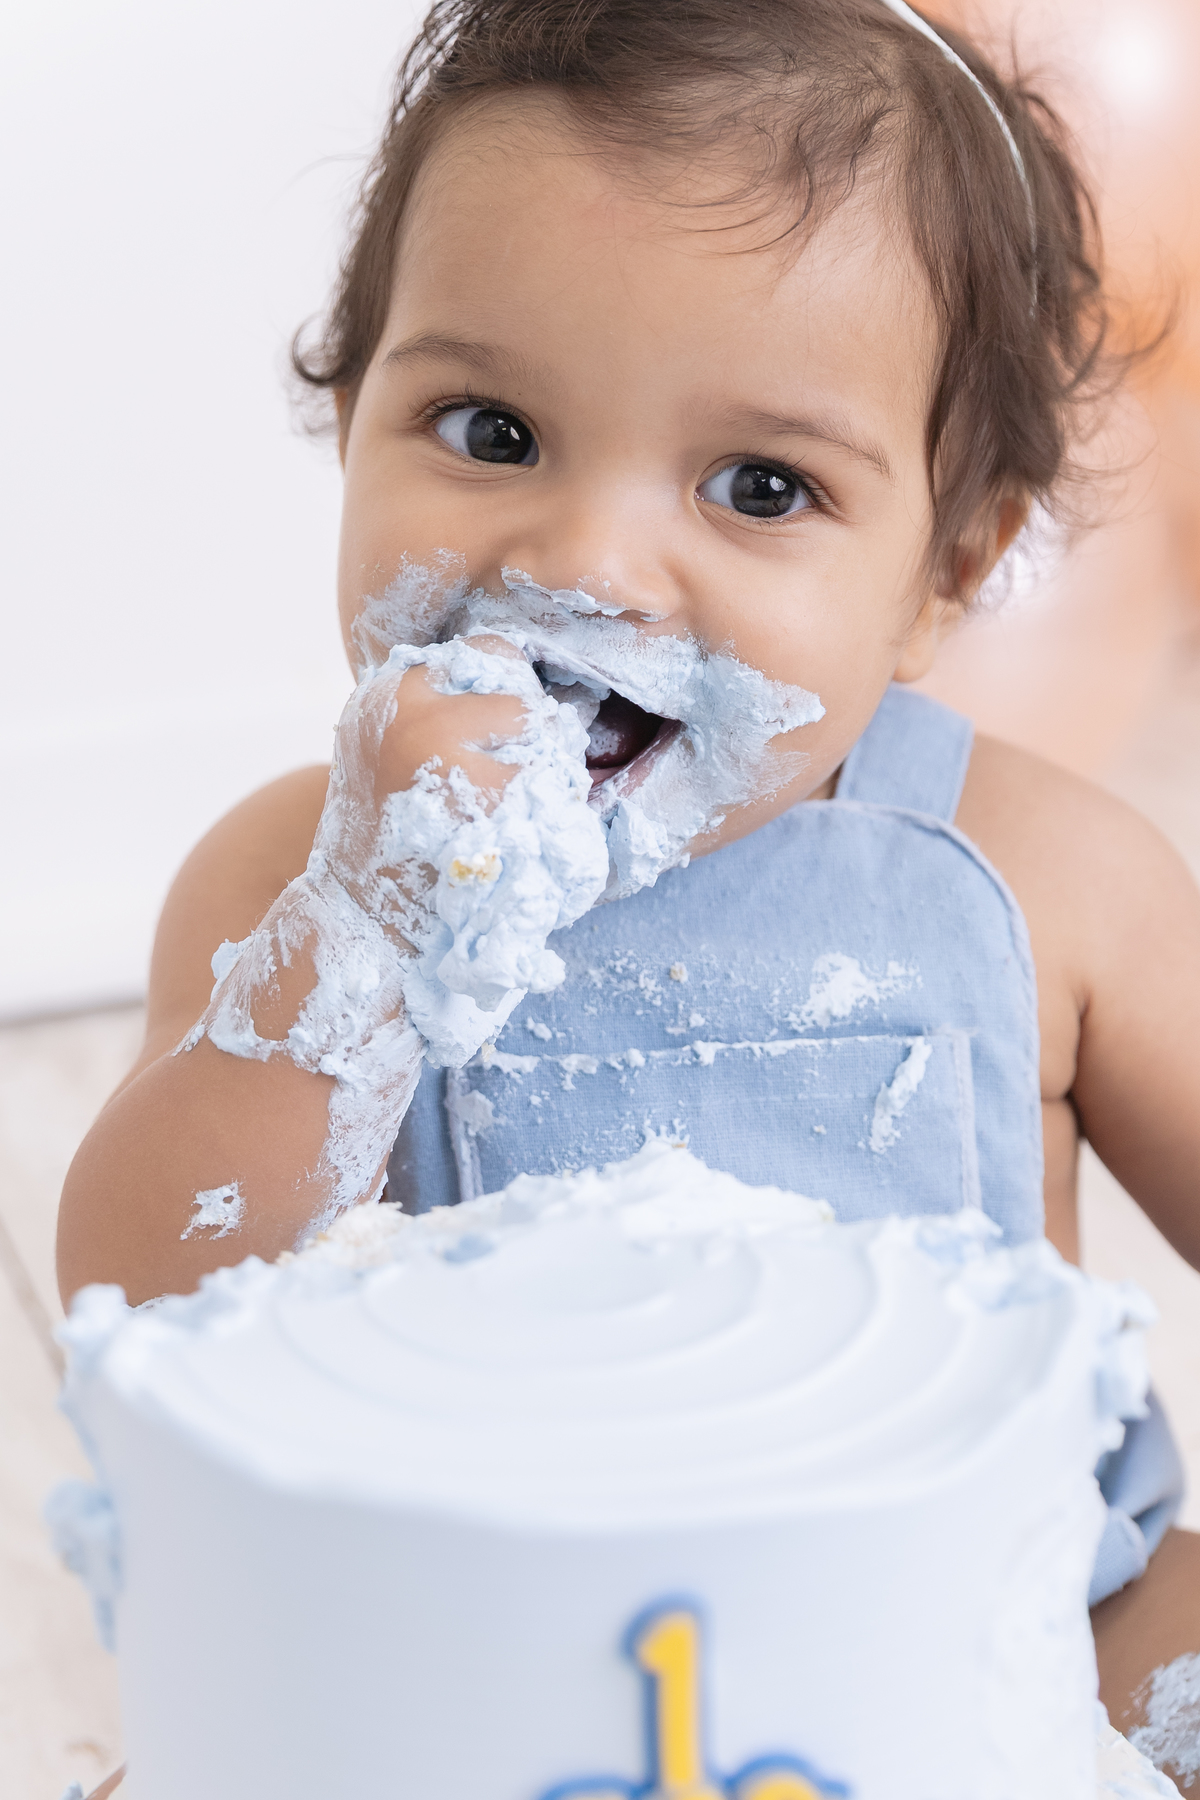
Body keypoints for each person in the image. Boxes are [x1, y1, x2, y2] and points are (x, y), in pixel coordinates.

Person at [55, 0, 1200, 1778]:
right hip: (484, 1668)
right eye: (490, 430)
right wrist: (357, 943)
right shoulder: (297, 871)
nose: (583, 563)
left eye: (761, 486)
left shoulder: (1044, 882)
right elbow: (142, 1298)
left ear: (943, 569)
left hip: (1017, 1610)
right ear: (351, 422)